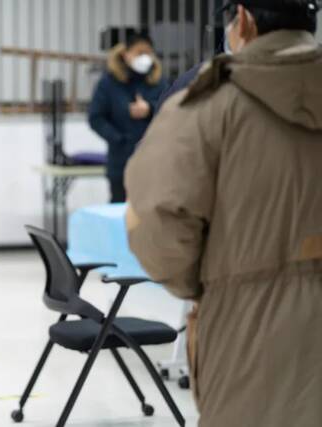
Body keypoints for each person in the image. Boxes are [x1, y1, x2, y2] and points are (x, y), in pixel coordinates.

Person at [124, 1, 322, 426]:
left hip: (249, 333)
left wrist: (212, 283)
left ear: (244, 20)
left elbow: (155, 222)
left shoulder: (208, 108)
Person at [88, 31, 167, 203]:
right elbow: (96, 118)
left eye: (148, 53)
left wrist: (150, 109)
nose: (145, 57)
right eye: (140, 53)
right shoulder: (109, 83)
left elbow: (172, 112)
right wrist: (119, 139)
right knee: (120, 215)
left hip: (154, 162)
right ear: (126, 54)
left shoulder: (159, 81)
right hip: (120, 162)